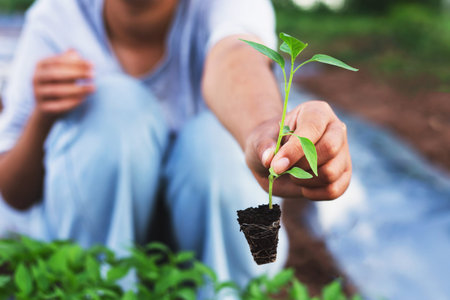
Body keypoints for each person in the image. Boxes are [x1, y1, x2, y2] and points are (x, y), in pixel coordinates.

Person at [0, 0, 351, 295]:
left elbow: (234, 55)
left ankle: (230, 291)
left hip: (205, 242)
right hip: (99, 234)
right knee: (112, 105)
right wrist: (42, 117)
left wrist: (262, 132)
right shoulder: (57, 17)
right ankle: (98, 285)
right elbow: (13, 193)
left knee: (217, 140)